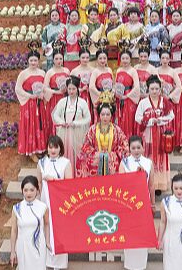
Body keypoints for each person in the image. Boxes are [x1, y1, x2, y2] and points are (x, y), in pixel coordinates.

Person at [36, 136, 73, 270]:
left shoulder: (66, 162)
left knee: (59, 230)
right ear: (47, 148)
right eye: (50, 147)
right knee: (47, 228)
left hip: (61, 203)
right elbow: (38, 183)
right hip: (45, 202)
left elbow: (69, 185)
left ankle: (60, 264)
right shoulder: (41, 163)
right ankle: (47, 262)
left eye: (56, 147)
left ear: (60, 148)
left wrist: (53, 181)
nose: (53, 150)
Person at [135, 75, 175, 191]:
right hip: (148, 135)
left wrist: (161, 121)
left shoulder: (165, 102)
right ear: (148, 89)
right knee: (149, 156)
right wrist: (151, 121)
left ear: (160, 89)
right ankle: (148, 183)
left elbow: (171, 115)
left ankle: (160, 184)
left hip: (161, 134)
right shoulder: (143, 102)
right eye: (152, 89)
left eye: (157, 89)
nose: (154, 91)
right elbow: (137, 118)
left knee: (161, 156)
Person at [121, 135, 154, 270]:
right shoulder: (124, 163)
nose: (136, 150)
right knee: (130, 235)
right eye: (133, 148)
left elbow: (151, 185)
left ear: (143, 147)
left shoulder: (148, 163)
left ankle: (141, 265)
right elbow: (121, 184)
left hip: (143, 205)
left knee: (141, 235)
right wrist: (135, 175)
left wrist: (153, 203)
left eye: (138, 147)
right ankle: (129, 264)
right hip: (128, 205)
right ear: (129, 148)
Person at [76, 98, 130, 177]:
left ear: (111, 115)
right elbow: (86, 145)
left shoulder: (117, 130)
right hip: (96, 157)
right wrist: (96, 154)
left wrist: (112, 154)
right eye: (103, 114)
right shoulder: (93, 129)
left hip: (112, 159)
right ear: (99, 115)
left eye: (108, 114)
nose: (105, 117)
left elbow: (124, 146)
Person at [10, 175, 51, 270]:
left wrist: (47, 241)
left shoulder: (43, 207)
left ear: (37, 190)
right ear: (22, 191)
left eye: (32, 190)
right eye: (26, 190)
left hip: (38, 247)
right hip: (22, 247)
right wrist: (12, 251)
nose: (29, 193)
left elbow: (46, 224)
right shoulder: (16, 208)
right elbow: (14, 231)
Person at [16, 44, 48, 161]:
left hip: (39, 103)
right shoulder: (23, 74)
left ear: (38, 61)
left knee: (40, 124)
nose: (33, 62)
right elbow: (18, 89)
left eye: (35, 60)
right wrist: (30, 95)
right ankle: (31, 151)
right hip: (29, 103)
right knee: (30, 125)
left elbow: (45, 87)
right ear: (28, 61)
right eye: (31, 60)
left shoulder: (42, 73)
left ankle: (40, 148)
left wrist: (42, 95)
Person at [51, 76, 91, 167]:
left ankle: (76, 174)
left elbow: (88, 118)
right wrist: (62, 122)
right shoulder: (62, 102)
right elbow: (55, 115)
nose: (71, 91)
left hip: (77, 133)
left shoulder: (82, 102)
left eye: (73, 89)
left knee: (77, 153)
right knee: (64, 150)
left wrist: (75, 123)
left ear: (77, 89)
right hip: (64, 133)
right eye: (69, 89)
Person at [43, 45, 70, 148]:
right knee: (54, 120)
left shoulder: (67, 71)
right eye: (56, 59)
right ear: (53, 60)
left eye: (60, 58)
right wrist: (56, 92)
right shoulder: (50, 72)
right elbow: (45, 87)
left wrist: (66, 90)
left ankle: (65, 143)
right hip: (54, 99)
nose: (59, 61)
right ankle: (54, 145)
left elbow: (70, 85)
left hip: (65, 98)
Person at [115, 47, 141, 139]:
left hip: (129, 98)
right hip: (119, 97)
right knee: (120, 119)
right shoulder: (118, 70)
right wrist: (116, 93)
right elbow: (116, 84)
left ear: (130, 59)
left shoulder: (133, 71)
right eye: (123, 58)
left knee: (129, 119)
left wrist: (127, 96)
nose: (125, 60)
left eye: (127, 58)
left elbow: (137, 86)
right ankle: (121, 140)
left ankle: (129, 140)